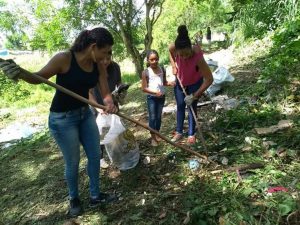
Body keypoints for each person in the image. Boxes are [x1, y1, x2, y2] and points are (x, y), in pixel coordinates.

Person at [0, 27, 118, 217]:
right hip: (62, 119)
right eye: (104, 52)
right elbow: (38, 78)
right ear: (94, 47)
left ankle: (96, 196)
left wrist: (109, 103)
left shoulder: (98, 65)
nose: (106, 57)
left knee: (95, 155)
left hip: (84, 114)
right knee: (72, 161)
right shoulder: (65, 58)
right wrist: (20, 73)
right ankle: (74, 199)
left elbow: (104, 91)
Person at [169, 25, 213, 144]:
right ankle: (179, 132)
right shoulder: (174, 48)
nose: (184, 57)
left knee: (192, 106)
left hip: (195, 83)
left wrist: (195, 95)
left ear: (191, 48)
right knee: (180, 106)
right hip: (180, 83)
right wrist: (174, 66)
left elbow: (209, 79)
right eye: (181, 55)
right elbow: (170, 50)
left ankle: (191, 133)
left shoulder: (197, 55)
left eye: (187, 54)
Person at [89, 51, 129, 168]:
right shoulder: (91, 70)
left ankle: (117, 153)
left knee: (116, 130)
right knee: (100, 133)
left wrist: (121, 91)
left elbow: (118, 83)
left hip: (112, 105)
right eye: (102, 59)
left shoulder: (115, 67)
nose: (105, 61)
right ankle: (100, 158)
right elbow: (89, 93)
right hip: (97, 106)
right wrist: (98, 108)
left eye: (108, 58)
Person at [141, 50, 175, 146]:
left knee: (159, 116)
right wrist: (155, 92)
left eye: (156, 59)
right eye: (152, 60)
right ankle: (153, 138)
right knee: (152, 117)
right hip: (152, 98)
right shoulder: (146, 72)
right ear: (148, 60)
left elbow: (163, 82)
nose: (154, 61)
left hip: (161, 97)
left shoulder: (162, 69)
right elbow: (144, 88)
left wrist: (170, 83)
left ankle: (157, 133)